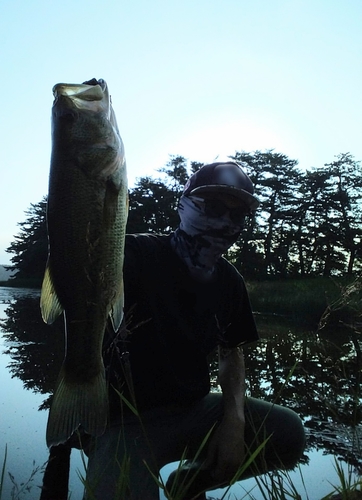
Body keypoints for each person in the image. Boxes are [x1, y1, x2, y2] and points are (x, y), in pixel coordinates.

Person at [83, 162, 306, 500]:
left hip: (195, 409)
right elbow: (83, 264)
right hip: (124, 421)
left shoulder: (230, 282)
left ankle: (189, 484)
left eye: (238, 215)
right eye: (214, 207)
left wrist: (234, 421)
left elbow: (231, 351)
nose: (225, 222)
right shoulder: (133, 254)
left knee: (289, 433)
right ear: (183, 206)